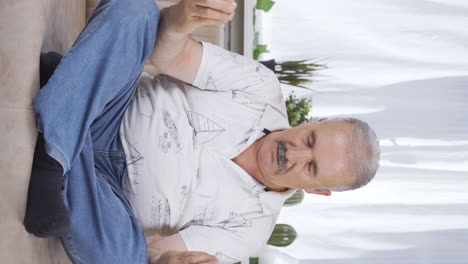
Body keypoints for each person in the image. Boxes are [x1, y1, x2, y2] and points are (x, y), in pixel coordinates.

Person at [23, 0, 380, 263]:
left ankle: (67, 107)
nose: (294, 153)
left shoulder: (251, 232)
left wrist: (166, 262)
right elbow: (169, 56)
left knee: (122, 258)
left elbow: (156, 252)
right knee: (137, 10)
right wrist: (179, 22)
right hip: (113, 106)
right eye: (310, 141)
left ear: (317, 190)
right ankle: (57, 152)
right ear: (315, 123)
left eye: (311, 167)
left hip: (106, 192)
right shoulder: (260, 86)